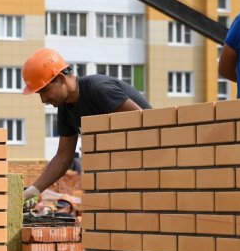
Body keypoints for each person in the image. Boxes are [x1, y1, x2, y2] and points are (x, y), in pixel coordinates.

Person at [21, 48, 151, 207]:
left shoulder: (99, 88)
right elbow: (63, 156)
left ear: (61, 78)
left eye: (45, 91)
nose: (43, 99)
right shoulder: (65, 108)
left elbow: (144, 123)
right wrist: (34, 190)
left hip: (149, 165)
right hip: (119, 171)